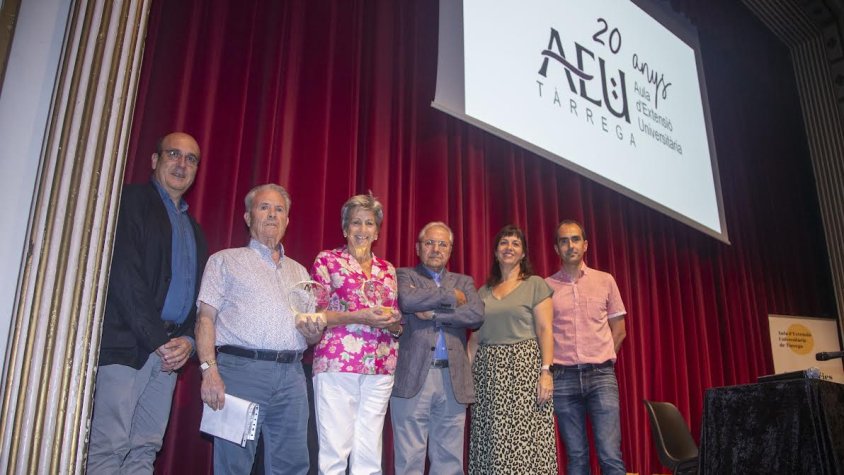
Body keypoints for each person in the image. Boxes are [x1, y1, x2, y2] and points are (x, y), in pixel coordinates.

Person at [87, 132, 208, 474]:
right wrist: (158, 340)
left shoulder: (194, 229)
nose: (182, 164)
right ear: (155, 160)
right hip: (128, 346)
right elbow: (124, 277)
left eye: (191, 159)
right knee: (108, 447)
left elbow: (199, 296)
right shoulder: (130, 201)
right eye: (173, 154)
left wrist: (188, 340)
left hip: (169, 355)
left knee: (145, 450)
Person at [195, 184, 316, 474]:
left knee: (292, 467)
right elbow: (205, 319)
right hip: (240, 373)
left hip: (292, 377)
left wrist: (314, 332)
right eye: (264, 207)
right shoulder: (224, 261)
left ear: (287, 220)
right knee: (233, 466)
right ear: (248, 217)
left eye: (279, 209)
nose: (272, 214)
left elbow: (311, 331)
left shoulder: (300, 272)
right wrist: (209, 371)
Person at [309, 193, 401, 475]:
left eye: (369, 223)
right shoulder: (327, 260)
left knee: (369, 456)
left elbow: (395, 320)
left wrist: (394, 323)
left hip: (381, 366)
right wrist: (359, 316)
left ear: (377, 231)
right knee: (335, 453)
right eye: (356, 222)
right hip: (338, 363)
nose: (363, 229)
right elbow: (316, 314)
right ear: (345, 228)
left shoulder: (387, 269)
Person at [391, 222, 485, 474]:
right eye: (429, 243)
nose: (436, 249)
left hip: (452, 379)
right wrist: (451, 297)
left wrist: (434, 314)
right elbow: (407, 300)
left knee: (449, 461)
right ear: (418, 248)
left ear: (450, 250)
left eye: (443, 244)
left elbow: (476, 315)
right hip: (412, 377)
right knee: (409, 459)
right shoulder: (403, 275)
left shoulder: (464, 281)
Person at [468, 224, 557, 474]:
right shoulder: (483, 292)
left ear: (523, 253)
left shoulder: (535, 284)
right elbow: (474, 341)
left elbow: (545, 330)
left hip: (523, 371)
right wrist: (465, 378)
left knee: (525, 441)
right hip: (487, 376)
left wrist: (546, 372)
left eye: (515, 243)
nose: (509, 247)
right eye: (504, 243)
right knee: (492, 441)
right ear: (496, 252)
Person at [546, 220, 627, 475]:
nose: (570, 245)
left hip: (601, 376)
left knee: (610, 455)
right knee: (577, 457)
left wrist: (602, 358)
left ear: (585, 245)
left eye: (575, 239)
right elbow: (542, 334)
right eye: (564, 241)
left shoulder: (605, 280)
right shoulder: (546, 287)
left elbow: (619, 330)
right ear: (556, 248)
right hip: (563, 379)